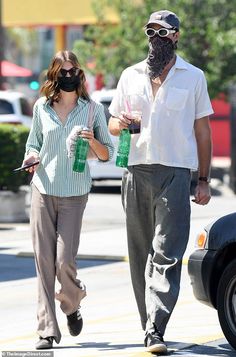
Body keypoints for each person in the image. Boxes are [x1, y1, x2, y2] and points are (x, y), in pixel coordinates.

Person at [108, 10, 213, 355]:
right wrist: (120, 123)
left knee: (167, 253)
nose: (155, 37)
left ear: (176, 36)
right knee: (141, 254)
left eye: (162, 31)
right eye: (150, 31)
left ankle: (156, 327)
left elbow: (202, 130)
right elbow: (111, 127)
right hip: (135, 170)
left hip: (176, 174)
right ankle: (148, 325)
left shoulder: (193, 76)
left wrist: (203, 180)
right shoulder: (130, 75)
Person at [22, 50, 114, 350]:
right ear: (53, 75)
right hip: (42, 190)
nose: (68, 75)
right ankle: (46, 331)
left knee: (64, 262)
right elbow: (33, 143)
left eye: (72, 70)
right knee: (44, 263)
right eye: (62, 71)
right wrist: (32, 157)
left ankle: (72, 303)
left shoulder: (93, 110)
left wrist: (93, 141)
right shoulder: (41, 108)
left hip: (74, 194)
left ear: (80, 74)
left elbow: (107, 154)